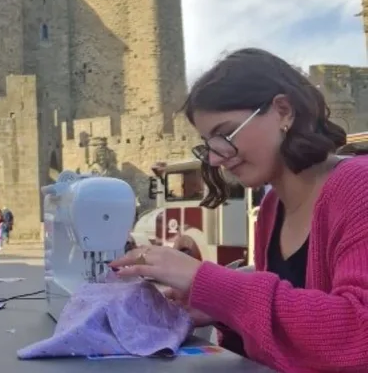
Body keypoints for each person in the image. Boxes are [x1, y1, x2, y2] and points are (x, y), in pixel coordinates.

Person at [111, 47, 368, 373]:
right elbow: (276, 347)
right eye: (209, 144)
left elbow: (359, 335)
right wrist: (218, 308)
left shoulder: (360, 187)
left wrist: (209, 282)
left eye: (225, 134)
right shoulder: (273, 208)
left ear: (283, 111)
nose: (216, 158)